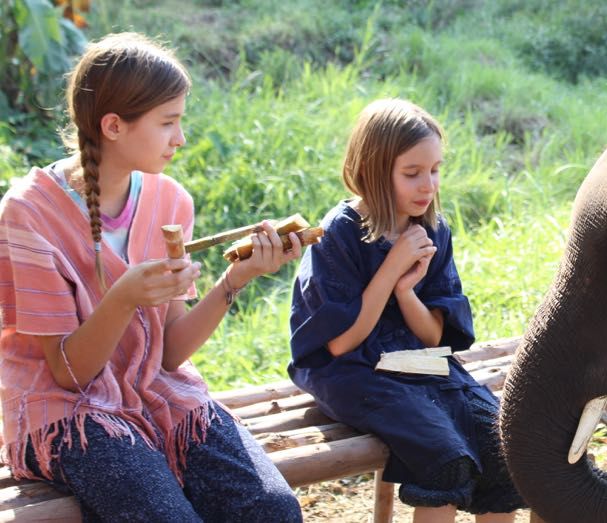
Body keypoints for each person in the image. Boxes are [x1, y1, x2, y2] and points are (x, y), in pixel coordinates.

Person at [0, 33, 303, 521]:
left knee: (272, 508)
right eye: (168, 122)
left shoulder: (170, 201)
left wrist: (236, 280)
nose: (180, 138)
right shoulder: (28, 213)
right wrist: (122, 299)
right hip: (64, 412)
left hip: (153, 394)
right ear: (114, 125)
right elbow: (67, 374)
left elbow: (170, 353)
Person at [288, 99, 524, 523]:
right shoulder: (339, 233)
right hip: (351, 368)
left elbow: (435, 337)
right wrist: (391, 267)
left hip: (417, 361)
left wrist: (405, 290)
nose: (428, 185)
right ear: (373, 172)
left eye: (434, 170)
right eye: (412, 174)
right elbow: (341, 343)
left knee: (501, 448)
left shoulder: (432, 229)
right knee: (444, 457)